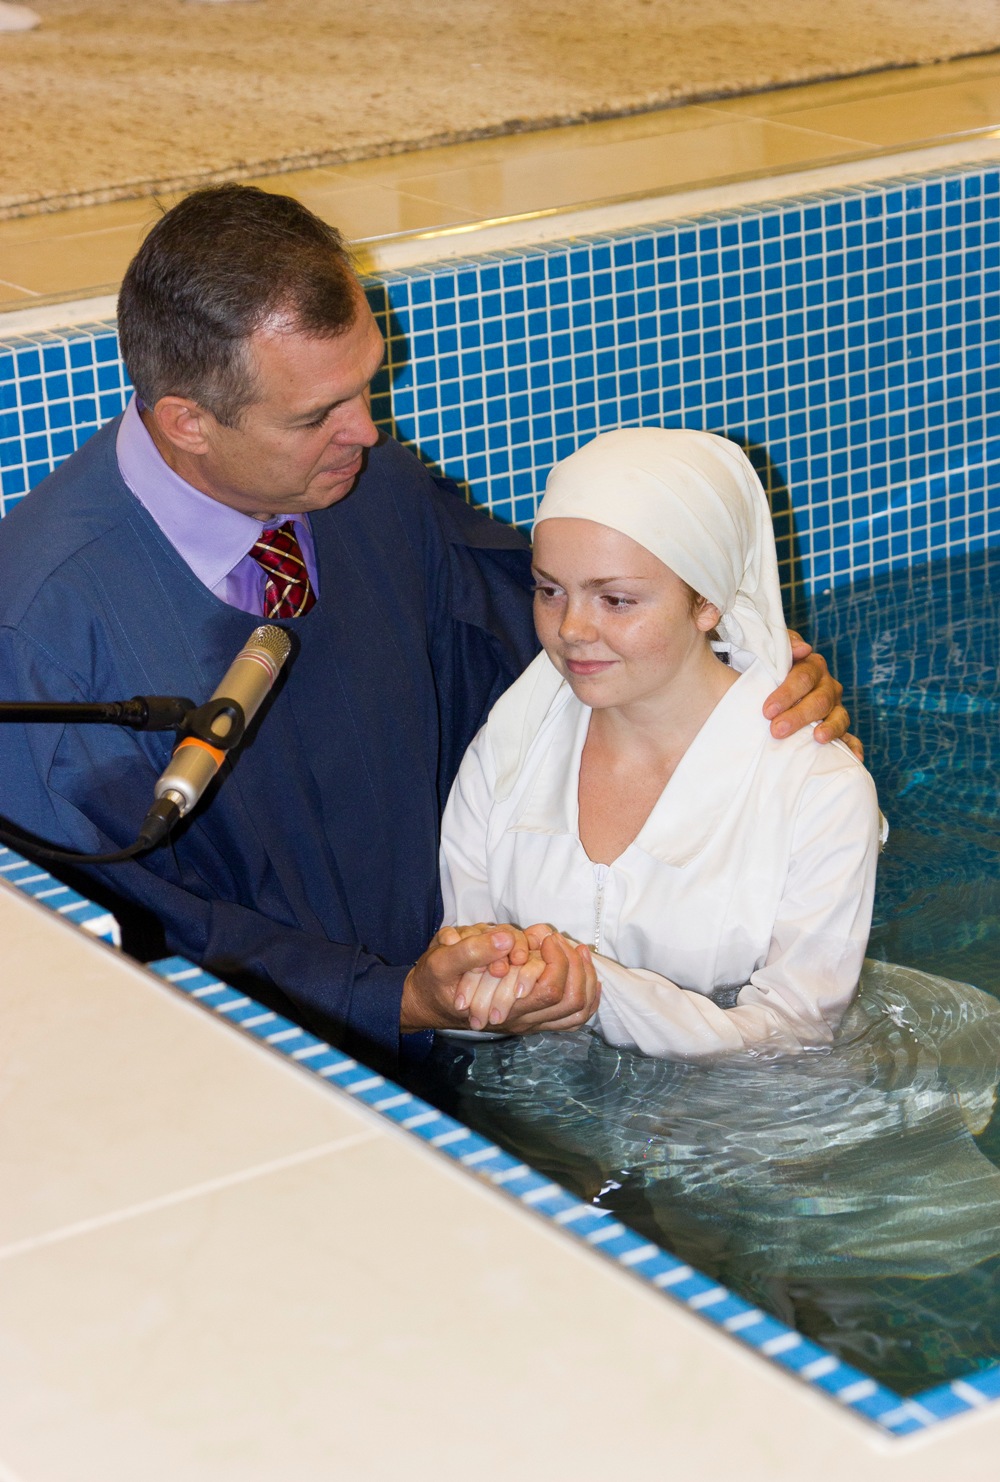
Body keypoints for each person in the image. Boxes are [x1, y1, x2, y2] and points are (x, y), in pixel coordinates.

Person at [0, 185, 849, 1070]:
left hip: (487, 1015)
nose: (366, 432)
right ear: (189, 423)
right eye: (316, 415)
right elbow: (110, 947)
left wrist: (731, 683)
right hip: (275, 1076)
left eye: (365, 383)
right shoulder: (38, 639)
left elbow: (542, 642)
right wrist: (392, 1000)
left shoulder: (367, 489)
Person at [439, 428, 883, 1057]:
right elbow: (462, 986)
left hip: (743, 1114)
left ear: (707, 602)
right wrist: (475, 990)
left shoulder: (817, 791)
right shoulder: (509, 750)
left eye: (616, 600)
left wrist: (597, 990)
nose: (572, 629)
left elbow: (795, 1036)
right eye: (549, 590)